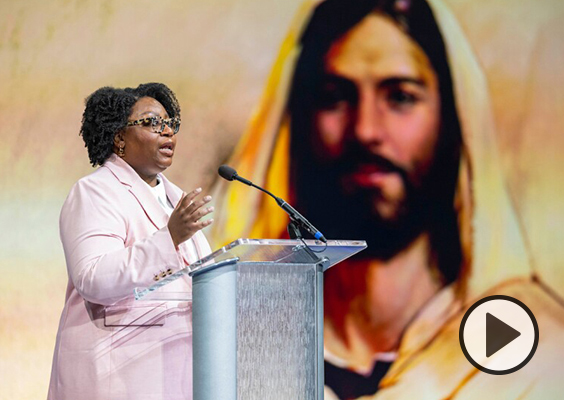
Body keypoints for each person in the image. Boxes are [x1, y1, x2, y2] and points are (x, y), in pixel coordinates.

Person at [211, 0, 564, 399]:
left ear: (454, 123)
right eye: (334, 97)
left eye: (400, 97)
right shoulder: (224, 342)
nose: (365, 130)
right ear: (299, 124)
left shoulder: (539, 360)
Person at [48, 83, 214, 400]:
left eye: (171, 123)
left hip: (174, 376)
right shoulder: (96, 192)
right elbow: (93, 277)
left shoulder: (176, 199)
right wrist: (170, 239)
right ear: (119, 137)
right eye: (152, 123)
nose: (168, 133)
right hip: (117, 377)